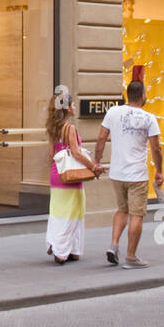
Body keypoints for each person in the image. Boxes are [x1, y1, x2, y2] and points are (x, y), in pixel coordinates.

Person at [93, 80, 164, 268]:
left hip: (117, 173)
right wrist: (159, 171)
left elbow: (101, 138)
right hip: (137, 175)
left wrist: (97, 161)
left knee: (122, 209)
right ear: (142, 96)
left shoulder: (113, 112)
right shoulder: (149, 118)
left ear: (127, 95)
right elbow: (156, 149)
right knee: (136, 215)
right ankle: (131, 257)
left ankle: (114, 245)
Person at [45, 86, 103, 264]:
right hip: (71, 176)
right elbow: (76, 153)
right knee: (74, 211)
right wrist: (93, 167)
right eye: (73, 104)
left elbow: (51, 155)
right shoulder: (69, 128)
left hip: (57, 174)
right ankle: (61, 250)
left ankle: (65, 246)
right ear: (68, 108)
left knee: (58, 211)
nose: (75, 107)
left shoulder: (53, 128)